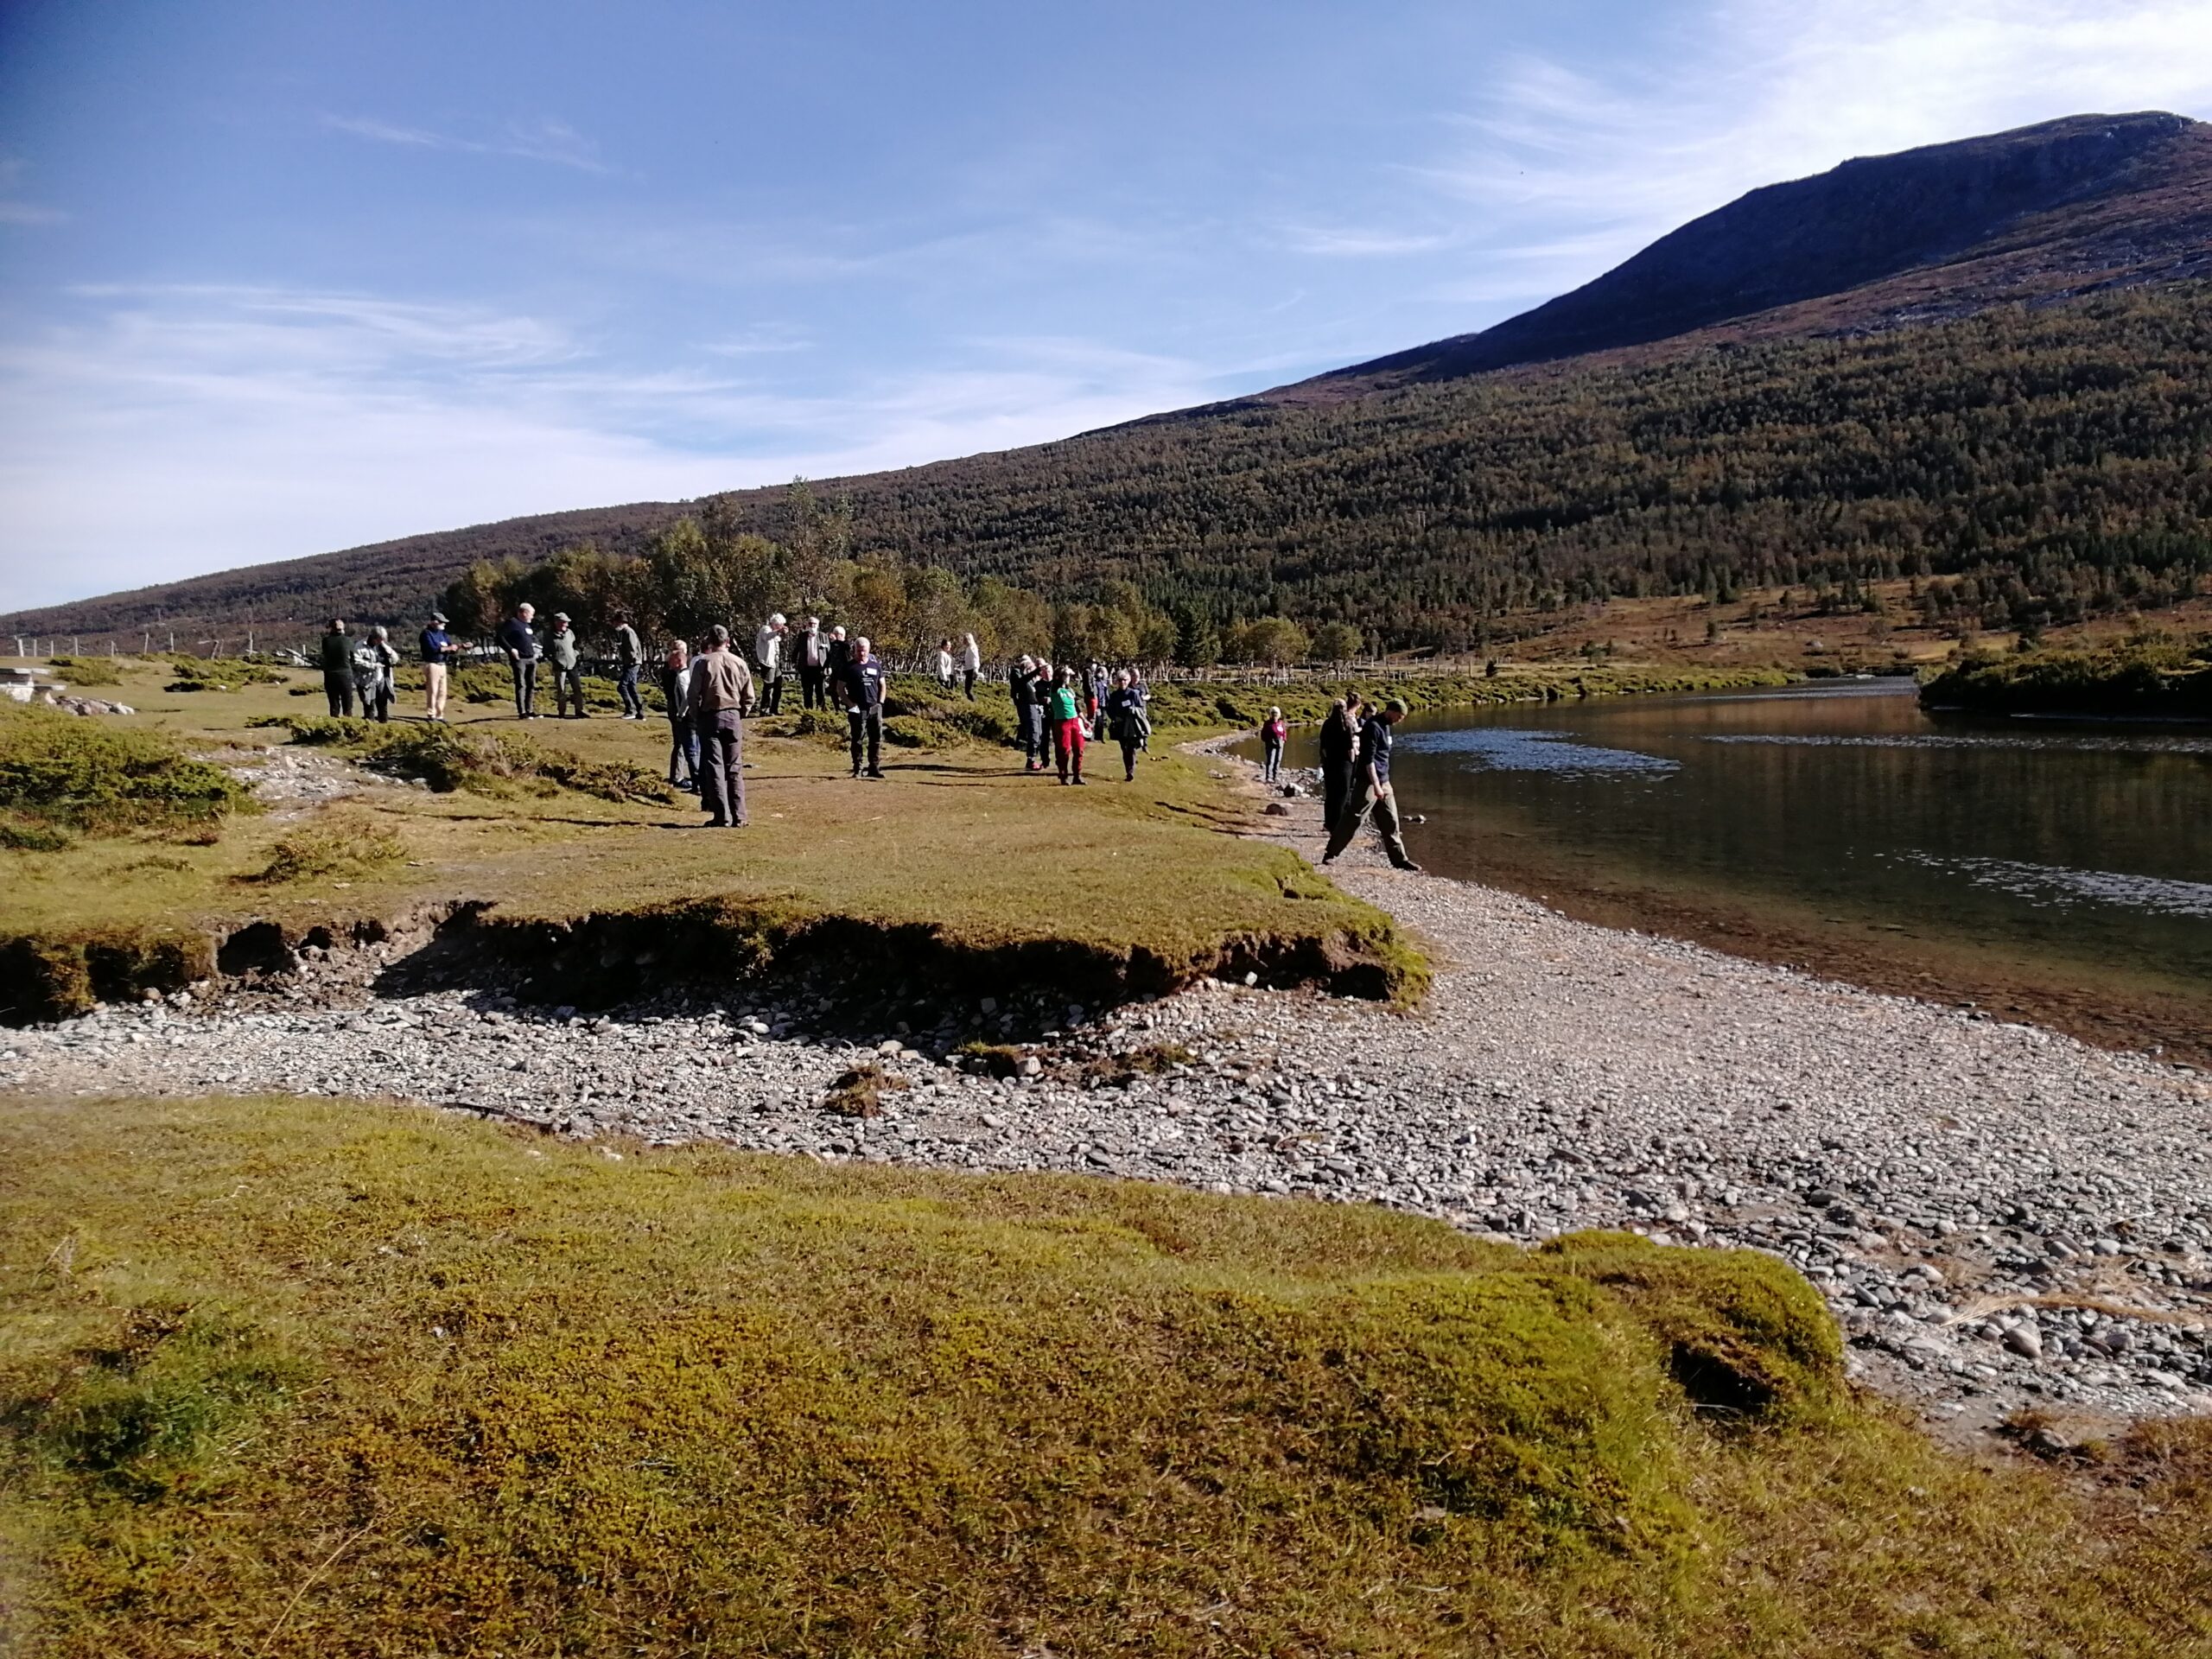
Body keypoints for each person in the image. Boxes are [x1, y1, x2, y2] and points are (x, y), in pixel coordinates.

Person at [1322, 697, 1420, 872]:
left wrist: (1384, 783)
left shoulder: (1386, 726)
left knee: (1391, 821)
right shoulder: (1372, 727)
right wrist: (1376, 785)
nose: (1400, 720)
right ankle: (1331, 853)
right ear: (1391, 711)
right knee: (1354, 818)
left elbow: (1383, 756)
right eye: (1399, 716)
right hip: (1368, 782)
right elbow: (1369, 761)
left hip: (1384, 780)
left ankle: (1400, 859)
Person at [686, 625, 753, 827]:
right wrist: (741, 713)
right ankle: (740, 816)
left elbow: (693, 694)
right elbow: (749, 695)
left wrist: (696, 715)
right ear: (728, 641)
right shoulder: (739, 662)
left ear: (709, 642)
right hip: (733, 715)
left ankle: (721, 816)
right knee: (734, 767)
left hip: (710, 716)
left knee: (714, 767)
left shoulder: (703, 663)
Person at [838, 634, 887, 779]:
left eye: (864, 650)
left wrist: (880, 703)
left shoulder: (875, 666)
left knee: (876, 739)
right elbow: (840, 688)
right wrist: (850, 704)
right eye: (859, 650)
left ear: (869, 650)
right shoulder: (849, 667)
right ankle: (857, 768)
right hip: (857, 708)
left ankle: (874, 767)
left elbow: (882, 685)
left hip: (874, 708)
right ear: (854, 650)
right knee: (857, 739)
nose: (861, 653)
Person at [1317, 693, 1363, 834]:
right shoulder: (1345, 725)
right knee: (1343, 793)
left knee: (1331, 794)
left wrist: (1324, 761)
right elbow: (1350, 748)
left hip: (1330, 763)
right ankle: (1338, 824)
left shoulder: (1327, 724)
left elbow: (1322, 746)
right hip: (1344, 764)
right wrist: (1353, 762)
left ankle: (1328, 823)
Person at [660, 641, 699, 791]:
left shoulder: (679, 673)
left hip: (681, 709)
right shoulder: (674, 673)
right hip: (678, 707)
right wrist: (681, 713)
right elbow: (685, 697)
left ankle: (687, 777)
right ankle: (680, 776)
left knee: (687, 745)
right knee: (683, 744)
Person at [1104, 669, 1149, 783]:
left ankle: (1131, 771)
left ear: (1128, 680)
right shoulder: (1114, 695)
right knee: (1124, 748)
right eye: (1120, 680)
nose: (1122, 682)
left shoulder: (1134, 694)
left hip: (1132, 726)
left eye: (1124, 680)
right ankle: (1128, 769)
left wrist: (1133, 711)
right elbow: (1109, 710)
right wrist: (1115, 718)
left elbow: (1141, 708)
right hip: (1120, 726)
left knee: (1131, 748)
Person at [498, 602, 539, 719]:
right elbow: (500, 637)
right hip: (519, 659)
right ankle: (522, 712)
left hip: (531, 658)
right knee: (521, 684)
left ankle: (529, 709)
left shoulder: (527, 625)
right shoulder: (512, 623)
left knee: (531, 684)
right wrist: (510, 650)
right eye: (531, 614)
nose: (532, 617)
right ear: (524, 613)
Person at [1048, 665, 1087, 785]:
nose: (1068, 678)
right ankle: (1063, 775)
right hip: (1062, 721)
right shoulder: (1055, 689)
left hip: (1074, 721)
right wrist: (1063, 672)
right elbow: (1055, 683)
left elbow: (1075, 706)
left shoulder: (1069, 690)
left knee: (1079, 748)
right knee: (1065, 749)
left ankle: (1077, 775)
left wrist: (1084, 720)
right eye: (1066, 676)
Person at [419, 612, 457, 721]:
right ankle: (431, 714)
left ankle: (440, 714)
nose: (443, 624)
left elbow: (450, 646)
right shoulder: (426, 634)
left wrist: (458, 647)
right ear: (434, 622)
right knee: (433, 691)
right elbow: (432, 649)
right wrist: (448, 648)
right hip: (432, 664)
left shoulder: (443, 634)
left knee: (442, 692)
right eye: (441, 622)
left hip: (442, 665)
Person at [548, 613, 587, 718]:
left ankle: (579, 711)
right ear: (557, 623)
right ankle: (562, 712)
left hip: (572, 665)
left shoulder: (570, 633)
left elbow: (576, 646)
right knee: (561, 690)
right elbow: (546, 651)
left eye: (567, 622)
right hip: (559, 667)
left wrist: (575, 654)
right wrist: (555, 660)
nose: (567, 624)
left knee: (577, 689)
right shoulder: (549, 636)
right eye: (564, 622)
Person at [1009, 654, 1045, 771]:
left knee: (1039, 733)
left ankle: (1035, 757)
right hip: (1027, 705)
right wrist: (1035, 671)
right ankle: (1031, 760)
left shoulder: (1031, 679)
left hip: (1035, 706)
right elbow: (1021, 682)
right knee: (1034, 732)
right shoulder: (1017, 674)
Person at [317, 618, 354, 717]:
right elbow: (353, 657)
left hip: (330, 674)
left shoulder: (326, 641)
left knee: (334, 704)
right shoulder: (347, 641)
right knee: (347, 704)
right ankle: (348, 722)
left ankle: (334, 722)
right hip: (345, 673)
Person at [612, 612, 645, 720]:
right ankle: (640, 712)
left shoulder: (628, 632)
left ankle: (630, 710)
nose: (614, 625)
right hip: (632, 662)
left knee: (622, 686)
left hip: (632, 663)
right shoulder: (625, 632)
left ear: (620, 622)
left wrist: (630, 659)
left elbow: (632, 649)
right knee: (631, 687)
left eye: (615, 622)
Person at [753, 613, 786, 716]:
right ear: (774, 624)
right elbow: (768, 637)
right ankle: (764, 710)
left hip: (776, 662)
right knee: (769, 686)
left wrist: (781, 634)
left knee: (778, 686)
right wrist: (778, 632)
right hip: (767, 662)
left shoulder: (775, 633)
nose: (781, 627)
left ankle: (774, 709)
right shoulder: (765, 629)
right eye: (779, 625)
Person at [794, 615, 830, 709]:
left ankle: (821, 710)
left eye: (815, 624)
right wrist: (794, 662)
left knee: (820, 691)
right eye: (810, 624)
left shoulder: (823, 636)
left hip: (820, 668)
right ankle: (808, 710)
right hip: (806, 669)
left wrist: (829, 666)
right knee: (807, 691)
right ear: (807, 625)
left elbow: (829, 652)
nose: (812, 626)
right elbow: (796, 650)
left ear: (818, 625)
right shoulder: (802, 636)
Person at [1259, 706, 1287, 782]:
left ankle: (1275, 776)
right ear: (1271, 714)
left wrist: (1284, 740)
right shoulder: (1267, 723)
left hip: (1280, 743)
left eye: (1276, 713)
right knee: (1270, 760)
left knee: (1278, 760)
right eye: (1273, 713)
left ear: (1279, 714)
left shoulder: (1281, 723)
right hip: (1270, 743)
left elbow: (1284, 733)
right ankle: (1268, 777)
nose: (1275, 715)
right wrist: (1267, 740)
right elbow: (1263, 734)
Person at [961, 632, 982, 699]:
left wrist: (975, 669)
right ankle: (971, 700)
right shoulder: (969, 648)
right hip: (969, 669)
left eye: (965, 639)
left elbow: (975, 658)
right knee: (967, 689)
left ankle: (973, 701)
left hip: (972, 669)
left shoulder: (972, 648)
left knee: (968, 690)